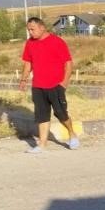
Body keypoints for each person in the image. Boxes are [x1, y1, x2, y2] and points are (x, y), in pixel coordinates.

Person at [19, 17, 79, 153]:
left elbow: (68, 64)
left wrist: (64, 83)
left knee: (61, 114)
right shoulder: (30, 43)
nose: (30, 32)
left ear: (42, 27)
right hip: (38, 86)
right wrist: (23, 80)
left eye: (32, 29)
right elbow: (28, 63)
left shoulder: (57, 42)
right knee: (42, 116)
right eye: (28, 30)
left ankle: (72, 134)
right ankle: (42, 145)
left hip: (56, 85)